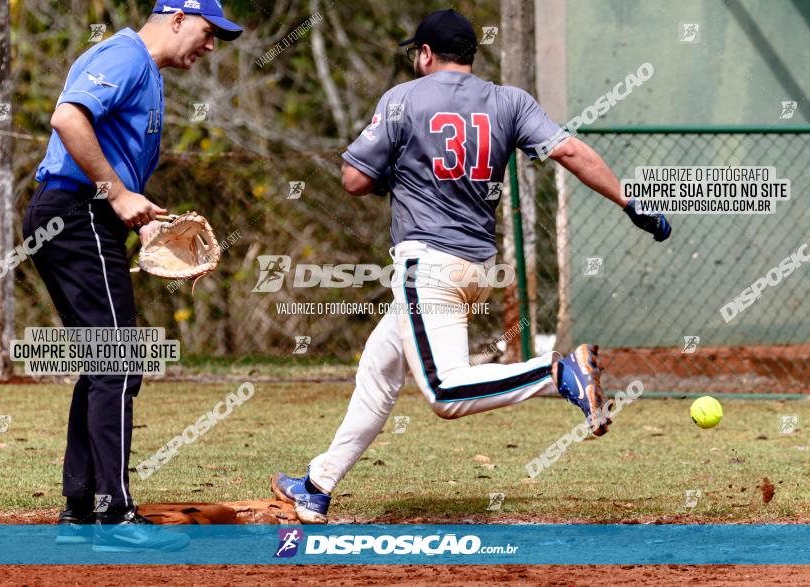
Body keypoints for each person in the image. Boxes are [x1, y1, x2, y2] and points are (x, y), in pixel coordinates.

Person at [271, 9, 672, 525]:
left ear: (424, 54)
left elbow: (353, 179)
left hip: (429, 266)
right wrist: (629, 201)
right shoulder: (509, 101)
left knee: (444, 393)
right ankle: (317, 486)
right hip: (478, 267)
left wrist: (396, 172)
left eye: (415, 52)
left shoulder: (402, 100)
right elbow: (569, 151)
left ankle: (556, 372)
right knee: (378, 371)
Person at [23, 0, 242, 552]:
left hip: (79, 215)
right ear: (176, 18)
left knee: (103, 361)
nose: (211, 45)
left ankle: (80, 512)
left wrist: (139, 221)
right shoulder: (124, 55)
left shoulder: (145, 71)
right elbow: (66, 117)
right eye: (208, 31)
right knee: (117, 361)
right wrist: (116, 195)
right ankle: (115, 517)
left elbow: (110, 156)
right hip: (76, 213)